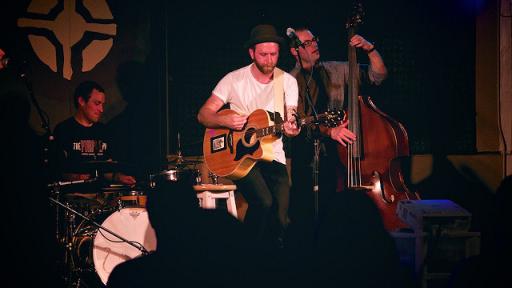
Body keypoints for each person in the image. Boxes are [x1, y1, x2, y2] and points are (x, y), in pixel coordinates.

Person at [285, 26, 388, 255]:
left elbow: (378, 76)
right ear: (295, 51)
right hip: (308, 162)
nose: (314, 45)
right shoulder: (290, 82)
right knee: (310, 219)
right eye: (308, 43)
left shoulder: (337, 69)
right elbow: (296, 124)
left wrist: (370, 49)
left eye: (315, 40)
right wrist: (329, 132)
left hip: (345, 159)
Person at [197, 24, 301, 251]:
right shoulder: (233, 80)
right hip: (240, 155)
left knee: (280, 219)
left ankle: (268, 265)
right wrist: (225, 121)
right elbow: (204, 115)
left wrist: (293, 128)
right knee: (263, 202)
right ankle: (246, 256)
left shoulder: (288, 82)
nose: (269, 60)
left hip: (273, 154)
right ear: (252, 53)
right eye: (263, 54)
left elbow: (291, 117)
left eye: (274, 54)